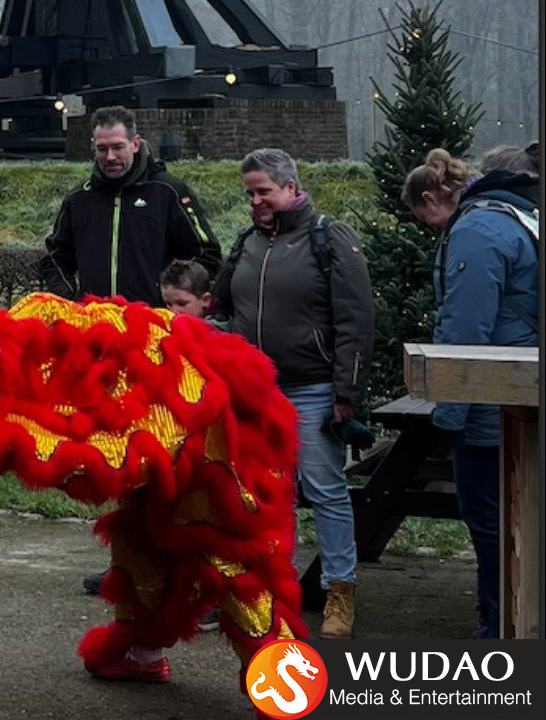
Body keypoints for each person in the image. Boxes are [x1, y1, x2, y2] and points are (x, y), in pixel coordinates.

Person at [212, 148, 373, 640]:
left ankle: (338, 592)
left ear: (289, 187)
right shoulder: (247, 242)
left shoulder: (329, 236)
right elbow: (224, 306)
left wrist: (347, 391)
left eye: (263, 191)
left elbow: (356, 319)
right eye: (250, 193)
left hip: (314, 389)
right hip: (255, 391)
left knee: (325, 490)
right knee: (265, 494)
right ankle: (273, 591)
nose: (256, 201)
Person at [401, 147, 539, 639]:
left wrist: (450, 416)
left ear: (436, 196)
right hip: (518, 398)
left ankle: (499, 633)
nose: (434, 231)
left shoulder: (477, 231)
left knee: (494, 526)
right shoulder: (518, 215)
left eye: (428, 220)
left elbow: (464, 332)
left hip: (493, 408)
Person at [81, 259, 222, 637]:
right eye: (166, 304)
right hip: (161, 457)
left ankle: (207, 599)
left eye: (181, 304)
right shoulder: (157, 342)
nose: (171, 312)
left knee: (201, 531)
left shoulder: (218, 345)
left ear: (205, 301)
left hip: (204, 459)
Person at [39, 105, 222, 307]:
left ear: (135, 144)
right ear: (93, 146)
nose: (110, 157)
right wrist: (70, 301)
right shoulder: (78, 199)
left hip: (154, 324)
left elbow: (206, 254)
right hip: (94, 326)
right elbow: (55, 259)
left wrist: (173, 301)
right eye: (102, 149)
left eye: (117, 147)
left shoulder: (168, 192)